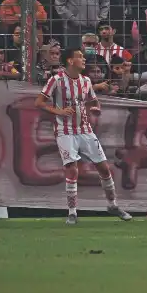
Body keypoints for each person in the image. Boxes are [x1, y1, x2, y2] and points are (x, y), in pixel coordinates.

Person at [35, 45, 132, 225]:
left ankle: (112, 205)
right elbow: (39, 102)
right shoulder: (56, 80)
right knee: (72, 168)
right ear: (70, 61)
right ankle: (72, 212)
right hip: (65, 131)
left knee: (104, 167)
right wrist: (58, 111)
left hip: (85, 130)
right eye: (80, 56)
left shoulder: (86, 81)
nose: (84, 59)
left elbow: (93, 100)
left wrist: (96, 108)